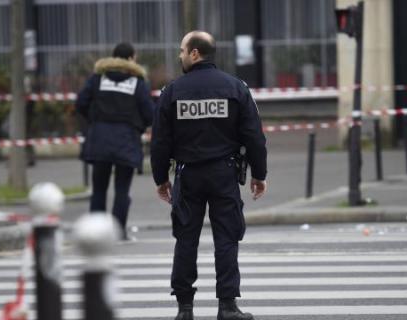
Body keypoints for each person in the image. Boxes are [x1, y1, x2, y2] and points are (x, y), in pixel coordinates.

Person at [150, 31, 267, 320]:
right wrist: (259, 173)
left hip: (188, 175)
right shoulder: (236, 87)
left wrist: (160, 178)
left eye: (181, 50)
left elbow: (160, 141)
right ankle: (227, 307)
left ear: (194, 53)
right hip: (223, 173)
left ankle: (184, 309)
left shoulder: (172, 92)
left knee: (186, 239)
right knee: (226, 238)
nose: (179, 56)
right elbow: (253, 135)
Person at [76, 43, 155, 239]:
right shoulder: (137, 83)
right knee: (122, 189)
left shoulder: (97, 79)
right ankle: (118, 232)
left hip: (99, 139)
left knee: (99, 188)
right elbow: (150, 113)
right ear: (130, 59)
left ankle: (95, 233)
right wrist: (139, 126)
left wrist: (94, 120)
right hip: (126, 140)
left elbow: (81, 103)